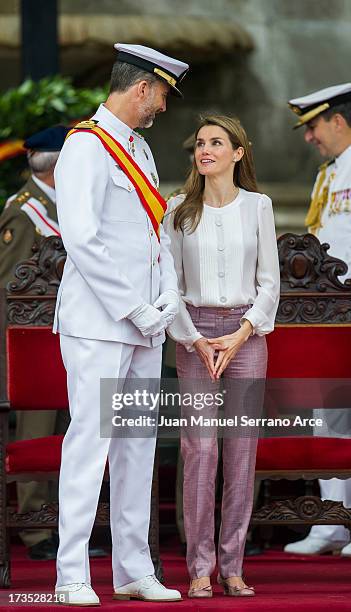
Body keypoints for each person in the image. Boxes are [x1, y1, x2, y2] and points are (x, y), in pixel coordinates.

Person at [53, 43, 189, 606]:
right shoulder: (86, 146)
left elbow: (155, 235)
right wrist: (134, 306)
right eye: (160, 94)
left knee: (137, 447)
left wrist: (168, 296)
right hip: (100, 322)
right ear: (141, 88)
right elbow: (81, 238)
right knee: (91, 444)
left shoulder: (141, 148)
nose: (161, 106)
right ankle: (70, 575)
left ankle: (133, 568)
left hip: (143, 324)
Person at [163, 114, 280, 598]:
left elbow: (270, 283)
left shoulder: (259, 206)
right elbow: (169, 286)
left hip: (247, 336)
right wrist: (192, 337)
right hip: (194, 335)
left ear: (238, 153)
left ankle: (232, 566)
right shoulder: (177, 210)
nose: (205, 149)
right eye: (200, 143)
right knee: (200, 450)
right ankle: (198, 567)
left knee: (240, 451)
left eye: (217, 142)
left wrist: (241, 333)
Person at [284, 83, 351, 557]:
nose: (309, 137)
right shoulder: (329, 173)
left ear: (339, 121)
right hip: (329, 310)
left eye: (313, 126)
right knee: (327, 415)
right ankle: (332, 523)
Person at [0, 126, 72, 561]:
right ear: (59, 166)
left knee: (65, 433)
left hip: (65, 340)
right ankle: (35, 530)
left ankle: (62, 522)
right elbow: (8, 289)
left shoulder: (61, 206)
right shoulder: (23, 212)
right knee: (36, 433)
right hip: (33, 347)